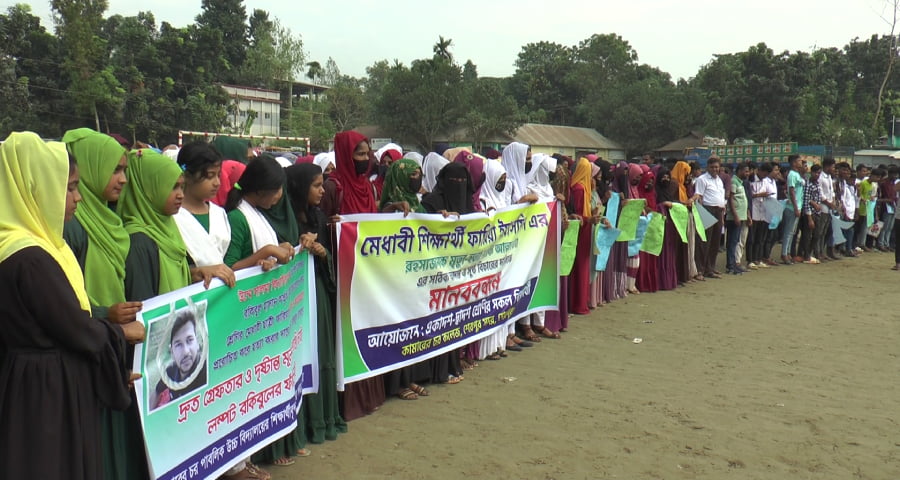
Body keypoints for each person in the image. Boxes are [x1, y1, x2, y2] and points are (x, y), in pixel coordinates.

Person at [0, 131, 144, 480]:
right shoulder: (30, 258)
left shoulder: (35, 245)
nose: (77, 197)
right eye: (69, 188)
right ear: (36, 188)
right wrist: (121, 333)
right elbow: (76, 329)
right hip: (46, 392)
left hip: (37, 380)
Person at [61, 128, 149, 480]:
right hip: (88, 341)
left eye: (124, 170)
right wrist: (104, 316)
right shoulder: (72, 225)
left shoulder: (111, 220)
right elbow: (64, 299)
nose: (123, 179)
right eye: (114, 170)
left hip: (115, 339)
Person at [331, 131, 387, 420]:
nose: (365, 160)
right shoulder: (334, 186)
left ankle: (370, 395)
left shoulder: (368, 187)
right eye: (359, 154)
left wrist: (391, 211)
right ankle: (349, 400)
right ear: (346, 155)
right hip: (345, 275)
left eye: (367, 154)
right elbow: (322, 225)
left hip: (368, 273)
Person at [152, 310, 206, 408]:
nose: (186, 351)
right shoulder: (170, 372)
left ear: (197, 344)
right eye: (178, 345)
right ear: (172, 352)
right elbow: (156, 392)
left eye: (189, 340)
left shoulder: (206, 371)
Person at [691, 157, 726, 278]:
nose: (715, 169)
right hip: (707, 210)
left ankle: (710, 268)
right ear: (707, 167)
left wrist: (722, 215)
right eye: (712, 167)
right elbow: (698, 195)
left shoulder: (719, 180)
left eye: (716, 167)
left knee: (715, 242)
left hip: (719, 211)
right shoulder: (702, 179)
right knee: (704, 241)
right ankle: (700, 270)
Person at [725, 163, 750, 274]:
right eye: (746, 171)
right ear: (739, 171)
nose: (747, 173)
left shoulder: (740, 182)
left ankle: (733, 264)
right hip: (734, 217)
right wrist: (735, 215)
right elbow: (730, 199)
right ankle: (731, 266)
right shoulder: (734, 181)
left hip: (741, 216)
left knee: (735, 241)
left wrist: (747, 215)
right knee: (732, 242)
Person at [799, 164, 823, 264]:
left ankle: (809, 253)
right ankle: (806, 255)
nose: (817, 175)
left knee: (817, 235)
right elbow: (806, 200)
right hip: (810, 213)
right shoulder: (808, 184)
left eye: (819, 173)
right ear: (811, 172)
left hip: (817, 213)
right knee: (807, 235)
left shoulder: (817, 184)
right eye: (816, 173)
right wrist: (809, 218)